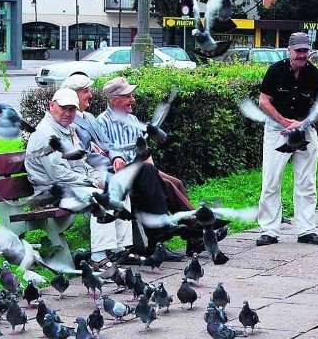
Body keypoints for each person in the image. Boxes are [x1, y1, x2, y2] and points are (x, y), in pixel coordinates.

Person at [25, 88, 115, 270]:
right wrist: (90, 182)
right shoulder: (46, 134)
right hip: (51, 193)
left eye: (72, 109)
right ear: (52, 106)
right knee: (100, 198)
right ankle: (98, 257)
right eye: (63, 108)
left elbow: (81, 164)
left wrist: (97, 177)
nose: (67, 113)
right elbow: (59, 174)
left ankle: (117, 249)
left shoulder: (67, 130)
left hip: (69, 186)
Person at [59, 74, 140, 267]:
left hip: (97, 170)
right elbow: (80, 155)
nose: (90, 95)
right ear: (73, 95)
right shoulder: (67, 120)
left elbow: (107, 143)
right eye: (85, 91)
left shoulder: (89, 117)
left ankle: (120, 248)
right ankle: (98, 255)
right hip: (77, 177)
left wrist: (117, 156)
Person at [256, 32, 318, 247]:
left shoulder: (314, 74)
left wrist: (302, 123)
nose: (302, 55)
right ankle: (269, 230)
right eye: (298, 51)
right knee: (271, 180)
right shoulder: (275, 71)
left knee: (307, 182)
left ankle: (306, 229)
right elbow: (263, 101)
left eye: (306, 51)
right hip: (277, 131)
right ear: (289, 50)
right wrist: (284, 122)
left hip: (304, 131)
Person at [97, 76, 195, 214]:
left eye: (132, 95)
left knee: (177, 183)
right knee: (166, 185)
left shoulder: (133, 120)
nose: (133, 100)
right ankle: (198, 224)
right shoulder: (101, 123)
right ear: (114, 100)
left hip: (143, 171)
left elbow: (143, 151)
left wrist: (153, 172)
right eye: (127, 96)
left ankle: (194, 227)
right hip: (122, 176)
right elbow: (103, 156)